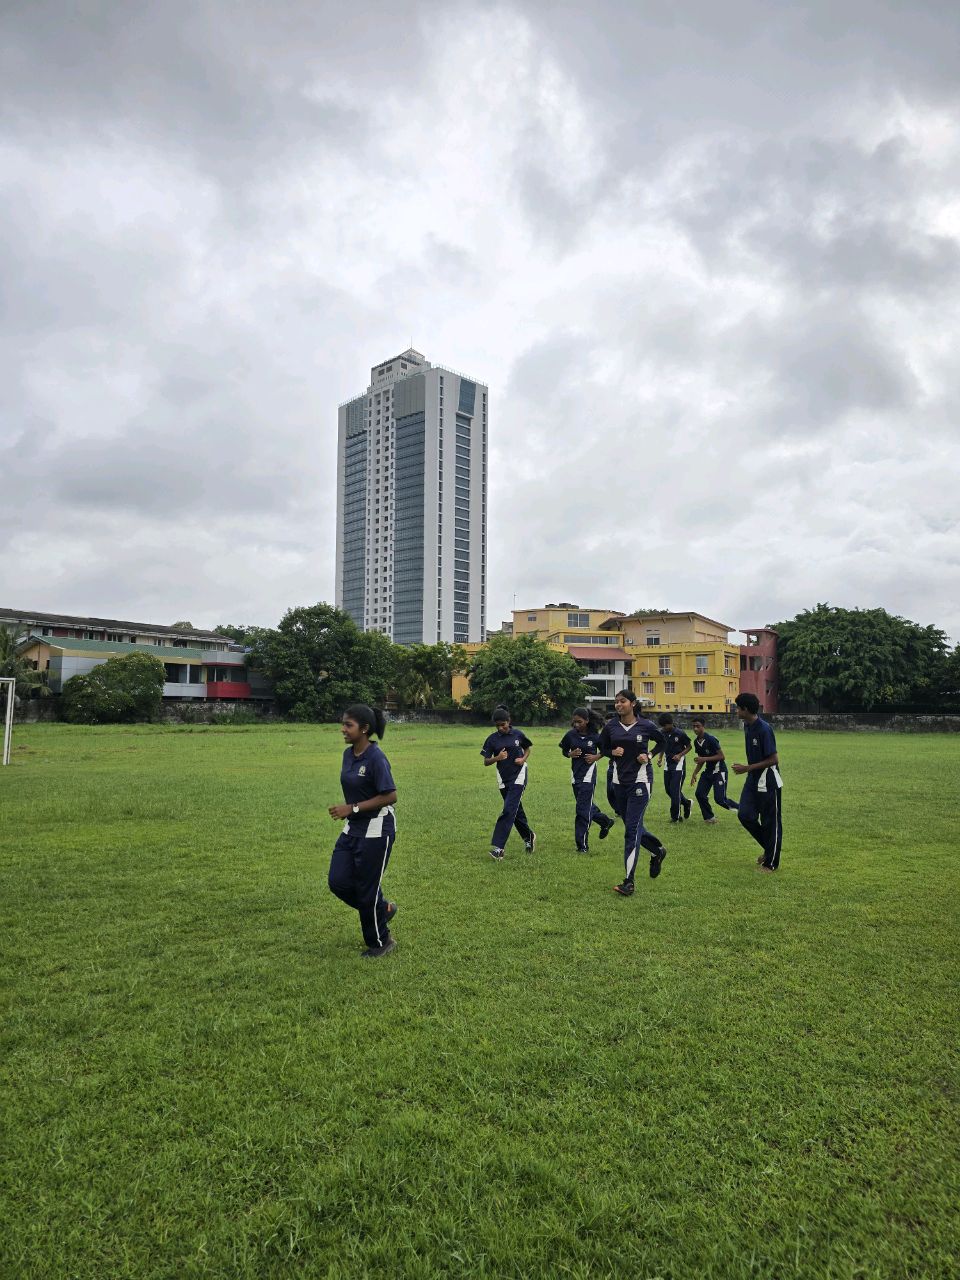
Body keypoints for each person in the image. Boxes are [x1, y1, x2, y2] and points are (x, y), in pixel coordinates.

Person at [326, 703, 399, 958]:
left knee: (367, 889)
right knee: (338, 881)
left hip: (377, 829)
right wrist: (351, 812)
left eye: (349, 725)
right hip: (353, 828)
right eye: (343, 724)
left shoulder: (376, 758)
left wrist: (352, 808)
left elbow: (390, 795)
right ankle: (383, 909)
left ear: (365, 729)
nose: (343, 729)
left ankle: (381, 942)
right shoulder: (348, 755)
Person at [598, 690, 668, 895]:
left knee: (631, 831)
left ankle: (628, 882)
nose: (618, 705)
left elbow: (663, 742)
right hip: (619, 782)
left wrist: (649, 755)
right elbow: (602, 746)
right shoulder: (611, 726)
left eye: (622, 701)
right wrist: (612, 752)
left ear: (633, 704)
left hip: (640, 782)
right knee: (632, 825)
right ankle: (657, 851)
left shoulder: (646, 725)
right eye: (616, 702)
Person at [732, 692, 783, 872]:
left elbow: (774, 759)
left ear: (745, 709)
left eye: (738, 708)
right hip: (753, 779)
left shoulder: (764, 729)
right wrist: (749, 771)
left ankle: (771, 863)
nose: (736, 711)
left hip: (767, 780)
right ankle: (769, 850)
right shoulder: (747, 726)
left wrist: (747, 768)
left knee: (770, 822)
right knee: (745, 814)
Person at [481, 706, 536, 860]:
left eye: (503, 724)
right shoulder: (492, 739)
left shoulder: (518, 734)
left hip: (519, 775)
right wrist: (497, 758)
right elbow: (486, 761)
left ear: (509, 721)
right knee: (515, 810)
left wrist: (523, 759)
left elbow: (528, 748)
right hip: (503, 779)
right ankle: (529, 836)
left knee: (508, 809)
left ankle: (499, 849)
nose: (501, 728)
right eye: (497, 725)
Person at [558, 707, 615, 852]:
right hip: (575, 775)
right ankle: (605, 821)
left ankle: (582, 845)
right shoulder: (570, 735)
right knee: (585, 804)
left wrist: (596, 757)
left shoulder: (595, 736)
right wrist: (570, 754)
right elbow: (564, 750)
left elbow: (606, 750)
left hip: (588, 776)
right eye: (574, 722)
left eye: (579, 722)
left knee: (582, 809)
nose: (576, 724)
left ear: (587, 721)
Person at [689, 716, 740, 824]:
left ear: (703, 726)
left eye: (698, 726)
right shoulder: (696, 742)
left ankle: (744, 810)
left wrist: (704, 759)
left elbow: (721, 756)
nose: (695, 729)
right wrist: (694, 773)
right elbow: (701, 760)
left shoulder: (711, 739)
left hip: (719, 771)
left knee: (720, 800)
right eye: (693, 726)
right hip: (708, 771)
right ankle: (709, 818)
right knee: (700, 794)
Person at [654, 713, 693, 822]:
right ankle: (686, 803)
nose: (663, 728)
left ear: (671, 723)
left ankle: (675, 817)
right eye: (662, 726)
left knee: (675, 790)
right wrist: (660, 757)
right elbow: (662, 745)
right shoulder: (662, 733)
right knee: (668, 790)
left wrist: (680, 755)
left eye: (665, 725)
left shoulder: (680, 733)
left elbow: (689, 746)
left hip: (678, 765)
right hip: (668, 764)